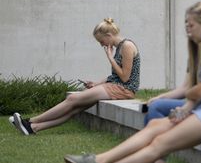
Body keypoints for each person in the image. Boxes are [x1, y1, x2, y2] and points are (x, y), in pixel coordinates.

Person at [64, 0, 201, 163]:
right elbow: (200, 91)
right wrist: (186, 106)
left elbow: (200, 90)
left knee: (160, 143)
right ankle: (100, 159)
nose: (187, 29)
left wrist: (189, 98)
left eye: (191, 25)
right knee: (154, 126)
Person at [10, 18, 140, 136]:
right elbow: (115, 75)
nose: (101, 44)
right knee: (75, 108)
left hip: (124, 89)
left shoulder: (127, 46)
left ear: (109, 35)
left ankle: (28, 121)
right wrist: (96, 84)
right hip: (116, 86)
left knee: (72, 98)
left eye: (101, 41)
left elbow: (124, 78)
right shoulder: (119, 47)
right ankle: (33, 128)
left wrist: (110, 59)